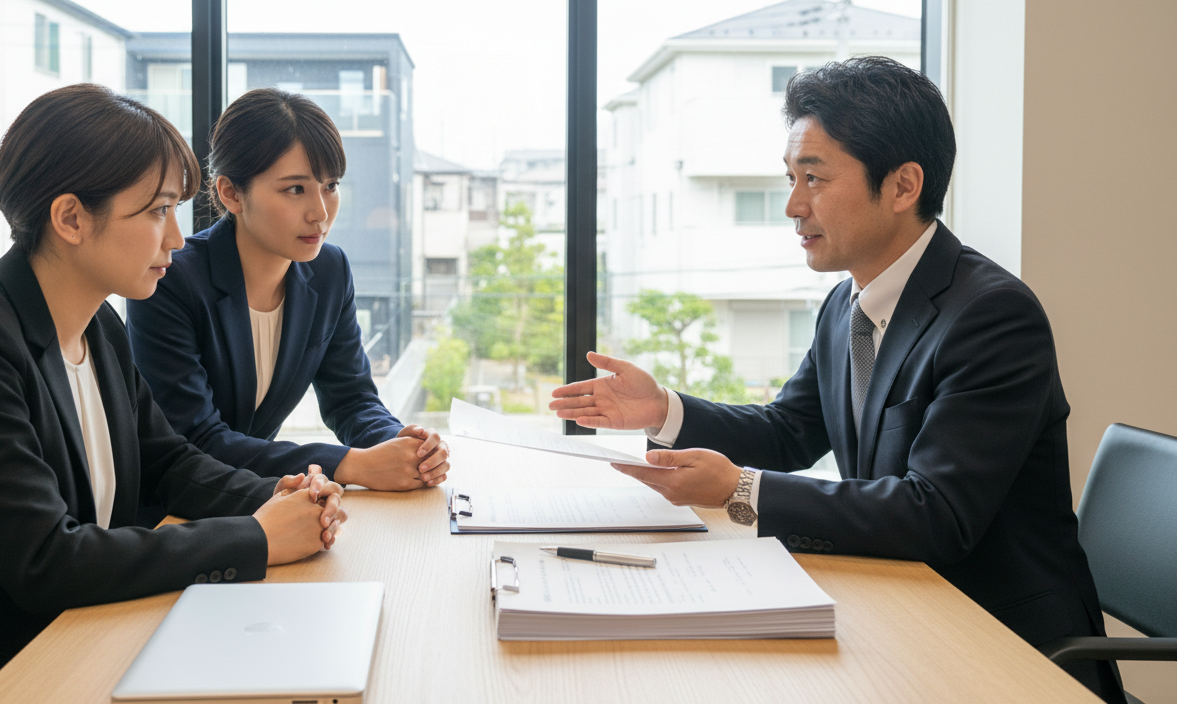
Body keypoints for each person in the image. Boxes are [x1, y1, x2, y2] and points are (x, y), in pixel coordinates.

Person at [549, 57, 1125, 703]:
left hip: (1005, 645)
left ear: (904, 185)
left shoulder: (992, 316)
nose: (794, 206)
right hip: (901, 609)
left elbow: (935, 514)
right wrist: (662, 410)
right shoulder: (849, 302)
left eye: (815, 178)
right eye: (791, 178)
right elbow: (792, 429)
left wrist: (738, 489)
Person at [0, 84, 346, 704]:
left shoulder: (96, 324)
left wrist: (282, 496)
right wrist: (259, 538)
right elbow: (47, 559)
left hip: (69, 643)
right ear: (71, 217)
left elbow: (169, 462)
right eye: (157, 211)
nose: (178, 240)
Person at [126, 89, 449, 497]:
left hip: (266, 499)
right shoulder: (170, 278)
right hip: (172, 512)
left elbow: (351, 399)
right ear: (231, 193)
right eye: (295, 189)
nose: (321, 211)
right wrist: (350, 464)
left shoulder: (329, 271)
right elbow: (197, 438)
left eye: (330, 185)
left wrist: (402, 442)